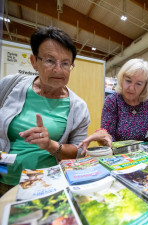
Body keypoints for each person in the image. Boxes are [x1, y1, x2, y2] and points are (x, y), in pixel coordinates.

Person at [0, 26, 90, 195]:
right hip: (4, 179)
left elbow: (78, 153)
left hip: (48, 184)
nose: (58, 70)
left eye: (65, 63)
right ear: (34, 61)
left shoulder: (78, 107)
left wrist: (51, 145)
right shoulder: (9, 85)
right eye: (50, 61)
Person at [79, 58, 148, 154]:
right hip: (122, 158)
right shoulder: (112, 101)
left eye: (138, 84)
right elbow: (108, 138)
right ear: (121, 79)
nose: (131, 88)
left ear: (145, 86)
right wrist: (103, 135)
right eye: (128, 81)